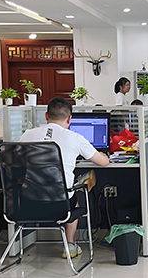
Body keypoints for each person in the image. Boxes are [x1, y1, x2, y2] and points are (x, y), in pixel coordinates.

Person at [20, 97, 109, 258]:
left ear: (46, 116)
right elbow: (104, 163)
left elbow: (18, 161)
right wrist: (103, 155)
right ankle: (70, 245)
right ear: (69, 119)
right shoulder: (75, 137)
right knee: (75, 199)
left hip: (28, 202)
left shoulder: (28, 135)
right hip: (60, 204)